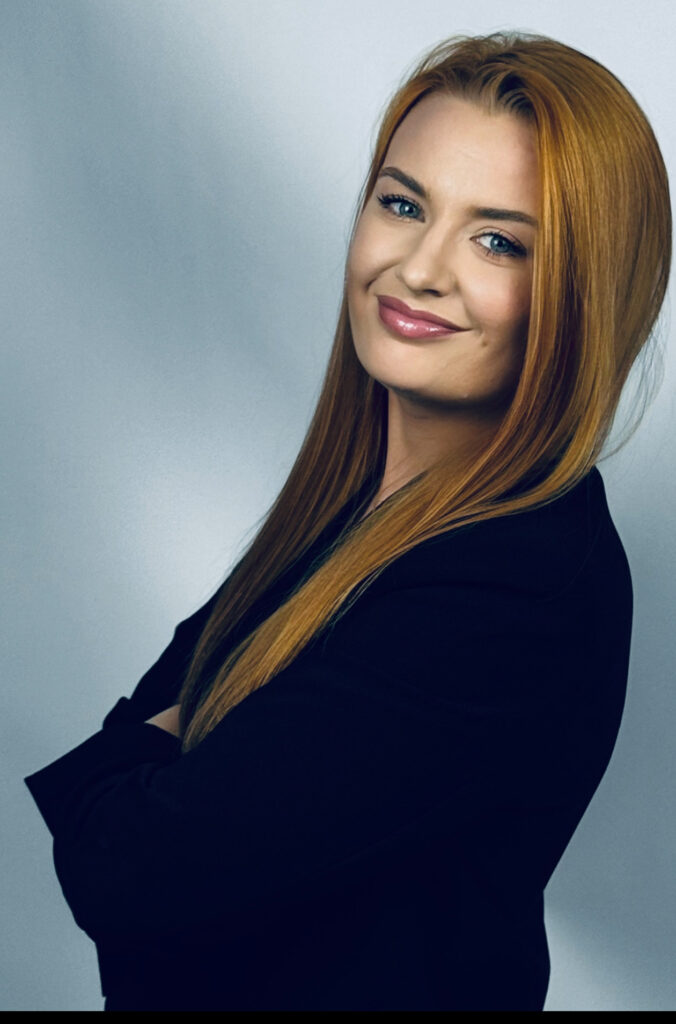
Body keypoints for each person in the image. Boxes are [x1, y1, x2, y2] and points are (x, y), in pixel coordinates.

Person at [24, 29, 671, 1011]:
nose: (419, 268)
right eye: (403, 204)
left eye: (498, 240)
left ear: (583, 293)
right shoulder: (363, 509)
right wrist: (169, 752)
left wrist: (167, 744)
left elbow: (127, 867)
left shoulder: (515, 582)